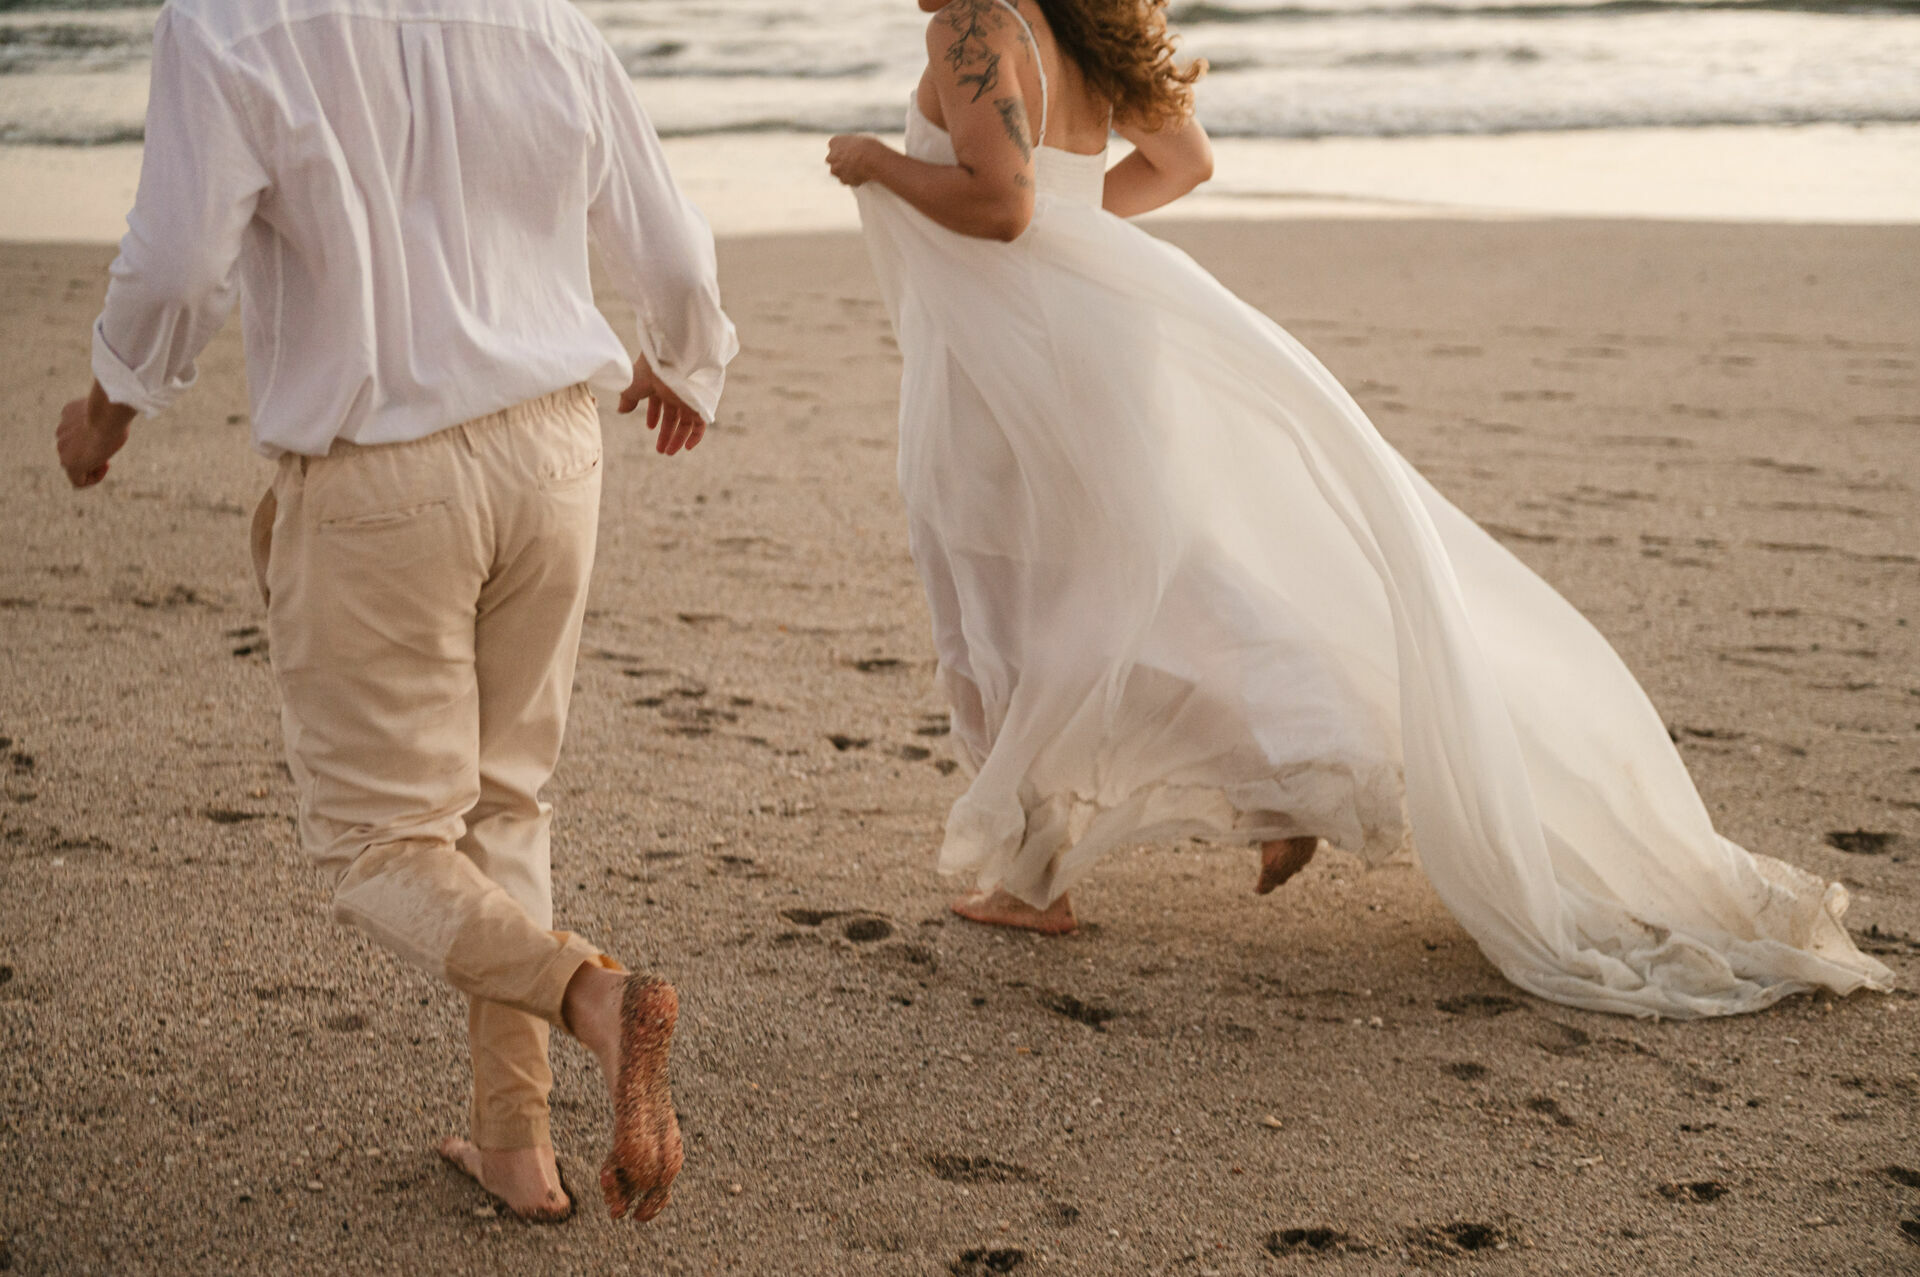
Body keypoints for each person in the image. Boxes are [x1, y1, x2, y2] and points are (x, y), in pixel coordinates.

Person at [824, 0, 1891, 1016]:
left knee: (998, 584)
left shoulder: (972, 20)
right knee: (1146, 570)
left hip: (1013, 365)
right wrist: (1073, 236)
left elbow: (1002, 204)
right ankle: (1277, 784)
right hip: (1098, 340)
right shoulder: (1084, 22)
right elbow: (1180, 163)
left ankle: (1035, 874)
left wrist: (878, 160)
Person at [55, 0, 737, 1221]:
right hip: (556, 454)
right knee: (507, 798)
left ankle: (591, 996)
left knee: (381, 844)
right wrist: (689, 362)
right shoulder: (545, 19)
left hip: (381, 470)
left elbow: (174, 266)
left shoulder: (230, 20)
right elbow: (672, 249)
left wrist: (109, 408)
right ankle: (518, 1149)